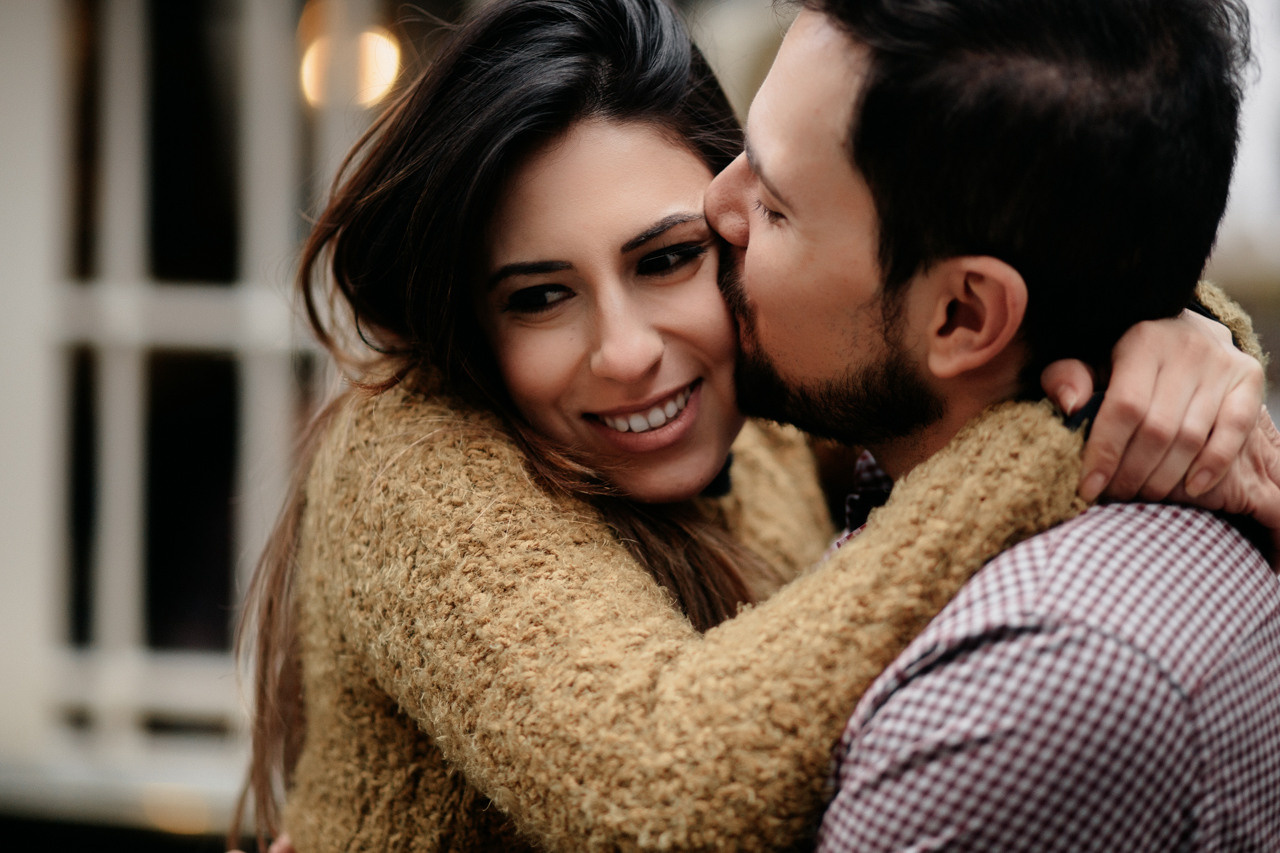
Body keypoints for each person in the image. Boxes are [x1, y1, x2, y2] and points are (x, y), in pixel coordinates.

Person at [233, 0, 1274, 850]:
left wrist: (1162, 325)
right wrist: (1066, 423)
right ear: (469, 320)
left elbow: (935, 361)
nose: (626, 351)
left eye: (667, 257)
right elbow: (663, 778)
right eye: (538, 297)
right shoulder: (417, 458)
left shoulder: (757, 400)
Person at [703, 0, 1280, 847]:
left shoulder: (1028, 682)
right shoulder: (942, 460)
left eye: (776, 208)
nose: (717, 203)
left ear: (965, 318)